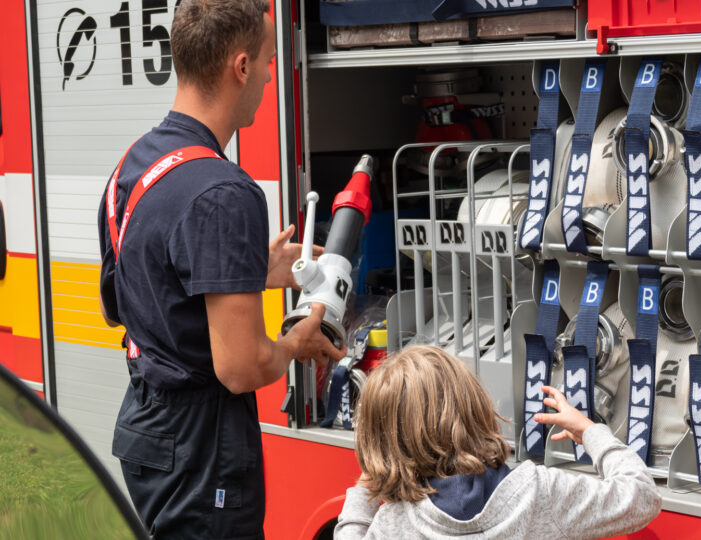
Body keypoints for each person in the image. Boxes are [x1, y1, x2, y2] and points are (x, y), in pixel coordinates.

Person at [97, 1, 344, 537]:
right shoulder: (225, 192)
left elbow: (121, 305)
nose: (270, 74)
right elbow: (243, 368)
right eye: (269, 61)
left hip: (146, 432)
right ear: (240, 67)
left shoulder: (135, 164)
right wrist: (296, 345)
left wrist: (247, 271)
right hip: (200, 447)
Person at [335, 345, 662, 539]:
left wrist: (365, 490)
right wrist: (591, 431)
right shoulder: (539, 492)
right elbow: (641, 497)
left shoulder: (395, 524)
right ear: (475, 405)